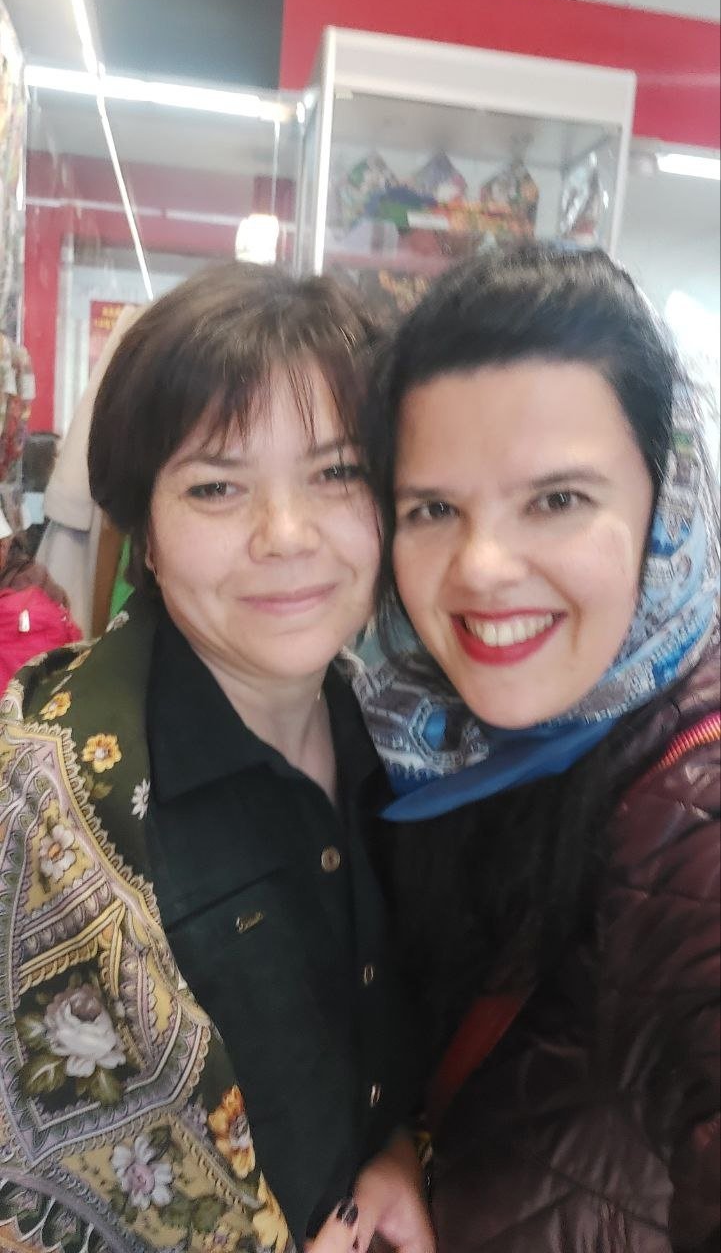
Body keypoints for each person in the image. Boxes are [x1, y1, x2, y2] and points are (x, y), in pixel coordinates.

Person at [0, 263, 434, 1253]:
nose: (285, 535)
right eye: (214, 486)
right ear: (146, 533)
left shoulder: (402, 737)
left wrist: (393, 1152)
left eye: (337, 473)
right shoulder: (40, 808)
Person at [355, 244, 720, 1251]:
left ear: (666, 500)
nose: (480, 567)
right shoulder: (432, 737)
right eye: (433, 509)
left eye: (557, 500)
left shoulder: (691, 807)